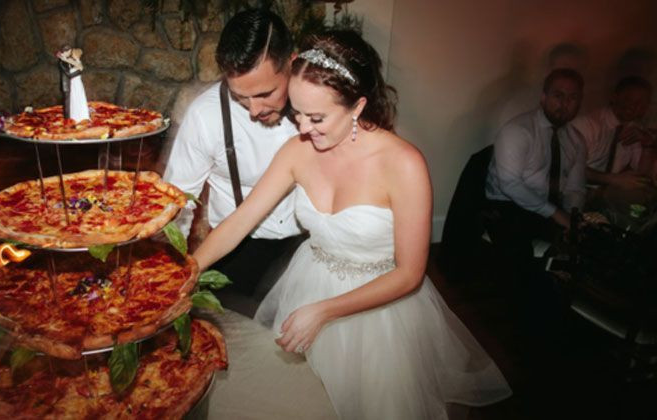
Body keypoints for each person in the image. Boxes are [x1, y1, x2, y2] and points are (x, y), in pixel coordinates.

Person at [193, 30, 511, 419]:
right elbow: (240, 221)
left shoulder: (404, 165)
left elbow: (410, 273)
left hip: (378, 307)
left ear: (357, 107)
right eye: (296, 114)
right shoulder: (298, 150)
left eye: (317, 117)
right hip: (310, 283)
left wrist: (326, 311)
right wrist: (187, 271)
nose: (303, 129)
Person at [163, 9, 302, 305]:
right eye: (240, 97)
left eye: (266, 93)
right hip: (235, 255)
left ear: (292, 63)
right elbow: (178, 202)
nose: (254, 110)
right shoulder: (205, 116)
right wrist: (169, 271)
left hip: (308, 250)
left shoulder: (322, 110)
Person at [485, 68, 587, 277]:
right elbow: (510, 185)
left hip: (547, 206)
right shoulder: (517, 130)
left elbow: (575, 187)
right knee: (519, 252)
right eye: (558, 95)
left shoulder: (577, 141)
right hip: (507, 205)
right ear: (543, 97)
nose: (565, 103)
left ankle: (570, 290)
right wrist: (558, 215)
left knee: (591, 238)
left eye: (572, 97)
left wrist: (572, 219)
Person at [572, 76, 655, 189]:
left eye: (641, 103)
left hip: (608, 195)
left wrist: (647, 144)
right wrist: (613, 179)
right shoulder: (587, 124)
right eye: (628, 99)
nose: (633, 106)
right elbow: (569, 167)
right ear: (614, 97)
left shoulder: (635, 129)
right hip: (577, 191)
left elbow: (642, 175)